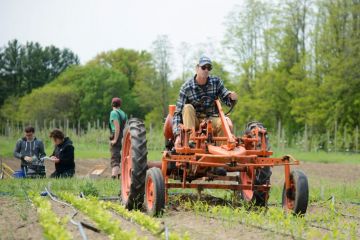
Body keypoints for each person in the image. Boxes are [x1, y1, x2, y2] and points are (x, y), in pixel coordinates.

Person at [172, 56, 238, 148]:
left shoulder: (216, 82)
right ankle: (191, 142)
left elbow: (226, 99)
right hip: (194, 119)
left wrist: (231, 97)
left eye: (209, 68)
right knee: (187, 108)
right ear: (197, 68)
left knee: (224, 122)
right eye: (203, 67)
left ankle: (222, 152)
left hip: (211, 118)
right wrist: (178, 135)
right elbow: (177, 114)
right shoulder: (186, 87)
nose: (206, 70)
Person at [109, 97, 128, 179]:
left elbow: (117, 127)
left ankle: (113, 176)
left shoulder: (113, 113)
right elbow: (126, 127)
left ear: (112, 104)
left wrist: (115, 140)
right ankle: (119, 174)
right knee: (120, 156)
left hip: (116, 135)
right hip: (123, 136)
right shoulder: (123, 113)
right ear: (120, 105)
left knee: (114, 156)